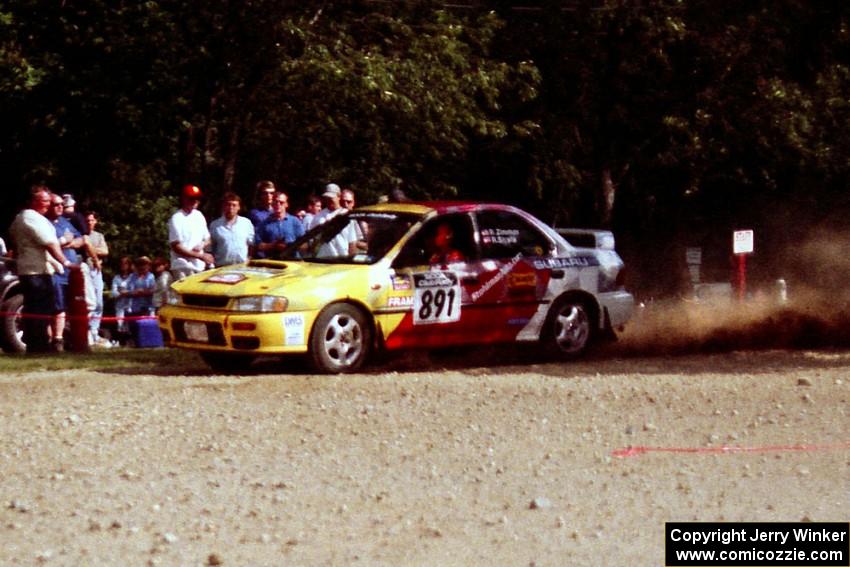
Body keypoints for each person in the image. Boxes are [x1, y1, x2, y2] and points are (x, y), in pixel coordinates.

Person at [9, 186, 72, 353]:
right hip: (34, 273)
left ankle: (38, 345)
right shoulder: (30, 217)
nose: (48, 205)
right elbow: (50, 243)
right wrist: (66, 262)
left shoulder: (22, 218)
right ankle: (39, 346)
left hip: (36, 270)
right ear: (34, 202)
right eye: (45, 201)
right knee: (39, 310)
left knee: (38, 309)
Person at [47, 192, 86, 352]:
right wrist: (65, 241)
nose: (60, 207)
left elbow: (81, 239)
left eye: (61, 204)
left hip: (71, 272)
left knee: (74, 306)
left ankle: (71, 339)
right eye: (56, 204)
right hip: (55, 270)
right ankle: (56, 340)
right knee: (57, 306)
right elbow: (49, 245)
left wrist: (68, 243)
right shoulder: (45, 224)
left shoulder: (64, 222)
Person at [168, 184, 214, 279]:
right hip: (182, 266)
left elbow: (208, 238)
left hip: (199, 266)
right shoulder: (177, 218)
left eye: (197, 198)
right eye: (192, 198)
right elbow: (176, 246)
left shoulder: (199, 216)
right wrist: (200, 256)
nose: (195, 201)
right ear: (184, 198)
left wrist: (202, 244)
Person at [209, 192, 254, 266]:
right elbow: (210, 247)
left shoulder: (246, 223)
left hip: (242, 266)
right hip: (221, 267)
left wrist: (249, 258)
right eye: (228, 204)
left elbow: (251, 244)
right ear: (223, 206)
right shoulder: (215, 225)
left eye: (234, 205)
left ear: (239, 207)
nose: (231, 208)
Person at [254, 192, 304, 259]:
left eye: (281, 202)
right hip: (272, 262)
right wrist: (273, 245)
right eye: (275, 202)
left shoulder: (295, 221)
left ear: (286, 204)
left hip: (293, 260)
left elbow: (304, 243)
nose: (278, 204)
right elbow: (258, 245)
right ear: (272, 204)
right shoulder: (264, 224)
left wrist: (290, 246)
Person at [84, 211, 109, 344]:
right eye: (87, 220)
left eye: (91, 220)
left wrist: (89, 248)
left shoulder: (98, 236)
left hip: (96, 271)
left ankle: (94, 330)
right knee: (88, 302)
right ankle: (86, 331)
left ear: (95, 222)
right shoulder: (80, 234)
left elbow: (105, 251)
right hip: (85, 270)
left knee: (99, 302)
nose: (89, 223)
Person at [111, 255, 134, 336]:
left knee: (130, 325)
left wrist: (122, 292)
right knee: (120, 325)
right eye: (121, 264)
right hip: (119, 306)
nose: (123, 265)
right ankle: (122, 340)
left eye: (125, 263)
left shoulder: (133, 277)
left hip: (131, 306)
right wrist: (123, 293)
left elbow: (134, 291)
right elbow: (113, 293)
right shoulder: (116, 278)